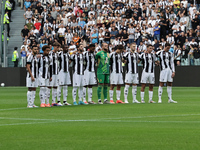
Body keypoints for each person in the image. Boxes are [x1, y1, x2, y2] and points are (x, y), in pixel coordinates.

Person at [47, 42, 61, 106]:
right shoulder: (50, 53)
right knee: (49, 87)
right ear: (54, 46)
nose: (58, 48)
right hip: (51, 72)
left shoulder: (57, 54)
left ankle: (53, 101)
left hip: (56, 72)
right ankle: (47, 102)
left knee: (55, 87)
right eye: (57, 47)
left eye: (58, 47)